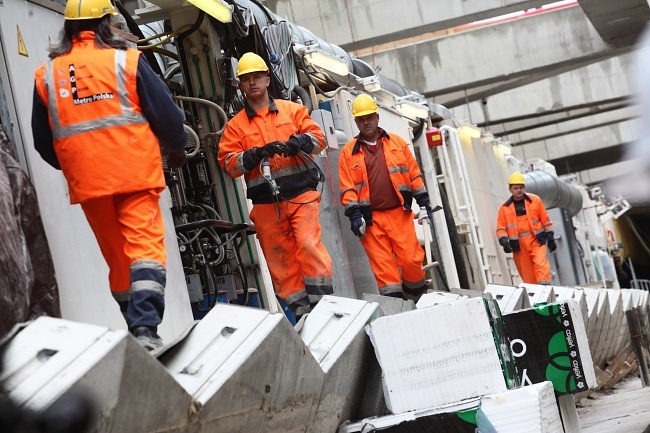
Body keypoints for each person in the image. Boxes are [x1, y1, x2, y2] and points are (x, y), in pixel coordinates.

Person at [31, 0, 188, 350]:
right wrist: (176, 147)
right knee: (144, 250)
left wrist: (78, 166)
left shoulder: (47, 75)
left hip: (90, 184)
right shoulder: (127, 61)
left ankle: (134, 328)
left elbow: (43, 142)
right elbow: (167, 117)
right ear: (107, 23)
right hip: (135, 174)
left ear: (68, 28)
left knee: (118, 259)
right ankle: (146, 329)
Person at [217, 52, 333, 318]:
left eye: (257, 77)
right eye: (246, 80)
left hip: (301, 196)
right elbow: (228, 164)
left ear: (267, 79)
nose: (252, 83)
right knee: (281, 263)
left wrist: (300, 142)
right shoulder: (235, 127)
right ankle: (302, 313)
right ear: (240, 86)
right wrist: (256, 154)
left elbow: (318, 138)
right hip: (267, 205)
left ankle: (323, 306)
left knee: (307, 245)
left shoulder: (292, 110)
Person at [338, 94, 435, 300]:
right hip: (371, 221)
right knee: (385, 272)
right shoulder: (348, 153)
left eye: (370, 117)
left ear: (377, 117)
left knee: (411, 261)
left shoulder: (397, 143)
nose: (366, 122)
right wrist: (355, 216)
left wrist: (424, 204)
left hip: (399, 213)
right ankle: (397, 309)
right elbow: (347, 189)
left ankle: (418, 299)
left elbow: (414, 174)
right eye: (362, 119)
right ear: (356, 122)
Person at [496, 172, 556, 285]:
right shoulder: (504, 208)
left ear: (524, 187)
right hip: (519, 246)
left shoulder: (535, 201)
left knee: (541, 264)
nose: (519, 190)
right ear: (510, 189)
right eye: (515, 188)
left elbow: (545, 220)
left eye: (521, 187)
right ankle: (536, 295)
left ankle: (545, 288)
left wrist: (550, 238)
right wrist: (503, 241)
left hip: (536, 241)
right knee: (527, 275)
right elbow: (501, 227)